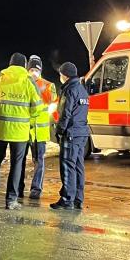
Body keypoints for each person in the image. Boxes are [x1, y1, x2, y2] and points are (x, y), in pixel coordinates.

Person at [0, 53, 45, 210]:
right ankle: (11, 200)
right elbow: (37, 108)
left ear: (10, 64)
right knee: (16, 165)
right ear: (24, 66)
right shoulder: (29, 81)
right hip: (20, 132)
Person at [18, 55, 57, 200]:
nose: (34, 72)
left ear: (40, 70)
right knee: (23, 160)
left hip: (36, 131)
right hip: (26, 130)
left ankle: (34, 189)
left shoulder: (48, 86)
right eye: (32, 69)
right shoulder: (22, 84)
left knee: (37, 160)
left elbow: (54, 104)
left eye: (36, 69)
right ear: (27, 70)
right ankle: (21, 188)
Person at [50, 62, 89, 210]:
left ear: (65, 75)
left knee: (67, 166)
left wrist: (59, 131)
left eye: (61, 75)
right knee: (78, 166)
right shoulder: (82, 89)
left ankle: (67, 199)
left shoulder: (69, 90)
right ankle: (78, 199)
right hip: (81, 133)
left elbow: (65, 114)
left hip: (71, 133)